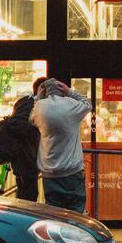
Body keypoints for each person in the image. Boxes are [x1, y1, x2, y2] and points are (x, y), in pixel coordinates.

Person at [29, 78, 92, 213]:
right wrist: (70, 91)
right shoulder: (71, 105)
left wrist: (38, 97)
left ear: (45, 92)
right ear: (62, 90)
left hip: (49, 173)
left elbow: (31, 118)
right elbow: (88, 104)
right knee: (76, 212)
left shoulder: (40, 107)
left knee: (55, 214)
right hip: (72, 170)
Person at [0, 76, 47, 202]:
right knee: (29, 195)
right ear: (40, 89)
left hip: (20, 156)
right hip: (26, 156)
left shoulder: (23, 101)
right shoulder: (32, 105)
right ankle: (25, 219)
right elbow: (19, 125)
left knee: (24, 192)